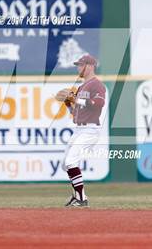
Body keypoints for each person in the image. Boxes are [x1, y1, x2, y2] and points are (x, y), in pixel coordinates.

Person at [62, 54, 106, 207]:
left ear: (90, 66)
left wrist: (76, 99)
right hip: (79, 129)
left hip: (90, 129)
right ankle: (78, 196)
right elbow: (75, 113)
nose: (78, 68)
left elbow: (98, 103)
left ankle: (82, 199)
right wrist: (68, 103)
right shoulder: (81, 87)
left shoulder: (97, 84)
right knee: (65, 164)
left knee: (70, 161)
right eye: (78, 65)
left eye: (81, 65)